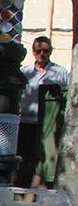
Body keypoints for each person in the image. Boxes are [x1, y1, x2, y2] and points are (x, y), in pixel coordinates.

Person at [16, 36, 70, 188]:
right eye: (38, 51)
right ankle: (24, 186)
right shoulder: (25, 73)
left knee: (47, 158)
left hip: (51, 124)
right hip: (27, 122)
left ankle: (46, 187)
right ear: (33, 52)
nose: (42, 54)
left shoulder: (61, 73)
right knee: (26, 158)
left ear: (51, 51)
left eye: (45, 51)